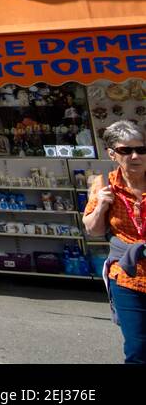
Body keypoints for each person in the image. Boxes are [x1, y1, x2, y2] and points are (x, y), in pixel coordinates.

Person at [84, 120, 146, 364]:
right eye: (125, 150)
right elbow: (93, 230)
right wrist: (101, 205)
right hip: (127, 275)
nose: (135, 156)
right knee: (138, 348)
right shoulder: (103, 185)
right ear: (112, 154)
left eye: (141, 149)